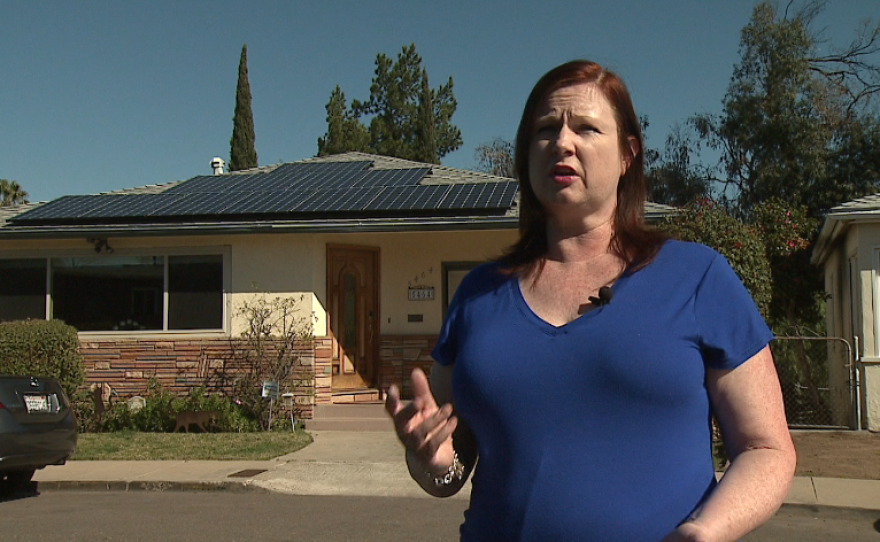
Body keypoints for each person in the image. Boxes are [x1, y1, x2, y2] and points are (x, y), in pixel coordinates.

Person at [385, 60, 795, 542]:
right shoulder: (478, 295)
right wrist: (429, 460)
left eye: (586, 127)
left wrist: (708, 530)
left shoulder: (697, 277)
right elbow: (453, 469)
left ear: (628, 153)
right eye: (544, 129)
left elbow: (767, 449)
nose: (562, 142)